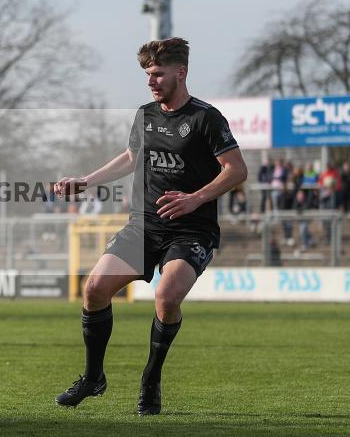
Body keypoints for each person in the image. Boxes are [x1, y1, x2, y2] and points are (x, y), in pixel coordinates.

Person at [52, 37, 247, 415]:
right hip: (144, 225)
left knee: (166, 297)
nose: (151, 82)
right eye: (147, 75)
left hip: (191, 229)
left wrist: (196, 197)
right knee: (93, 288)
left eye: (158, 74)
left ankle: (151, 379)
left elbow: (236, 170)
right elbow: (130, 157)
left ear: (181, 72)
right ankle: (93, 378)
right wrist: (86, 181)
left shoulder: (206, 118)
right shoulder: (145, 115)